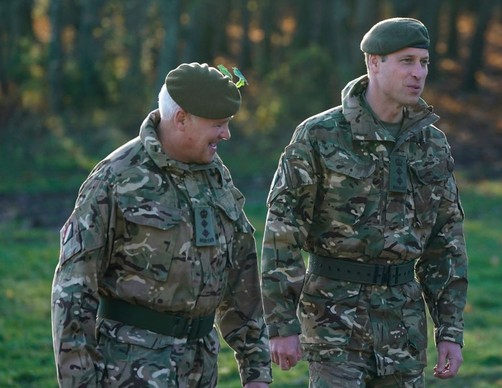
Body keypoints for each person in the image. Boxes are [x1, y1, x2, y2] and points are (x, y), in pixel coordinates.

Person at [260, 17, 468, 387]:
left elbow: (446, 241)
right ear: (374, 62)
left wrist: (450, 330)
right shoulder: (320, 135)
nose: (418, 73)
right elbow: (282, 233)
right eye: (406, 61)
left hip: (403, 327)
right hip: (334, 322)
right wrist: (281, 324)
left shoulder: (431, 144)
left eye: (423, 62)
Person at [51, 62, 272, 387]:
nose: (226, 134)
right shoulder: (117, 179)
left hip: (201, 369)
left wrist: (257, 372)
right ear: (181, 119)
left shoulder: (215, 176)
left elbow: (242, 275)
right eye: (218, 124)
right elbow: (72, 291)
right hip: (130, 370)